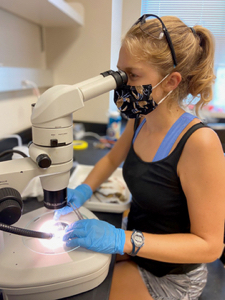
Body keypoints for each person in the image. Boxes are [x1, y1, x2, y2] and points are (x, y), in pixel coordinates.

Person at [56, 15, 225, 300]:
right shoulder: (140, 119)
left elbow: (210, 246)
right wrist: (82, 191)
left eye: (132, 76)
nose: (121, 84)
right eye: (120, 73)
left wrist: (120, 239)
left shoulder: (200, 143)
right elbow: (111, 160)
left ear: (171, 81)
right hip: (136, 248)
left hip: (171, 274)